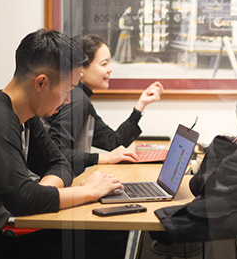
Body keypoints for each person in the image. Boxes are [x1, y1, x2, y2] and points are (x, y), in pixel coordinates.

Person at [0, 29, 126, 259]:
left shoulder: (25, 115)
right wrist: (90, 191)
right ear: (41, 82)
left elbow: (60, 164)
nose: (66, 101)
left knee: (103, 239)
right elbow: (23, 200)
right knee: (96, 246)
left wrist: (41, 192)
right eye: (66, 90)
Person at [47, 33, 164, 176]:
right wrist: (103, 158)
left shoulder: (80, 97)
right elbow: (56, 153)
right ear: (81, 69)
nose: (110, 69)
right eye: (104, 64)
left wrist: (141, 105)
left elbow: (112, 142)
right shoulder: (77, 98)